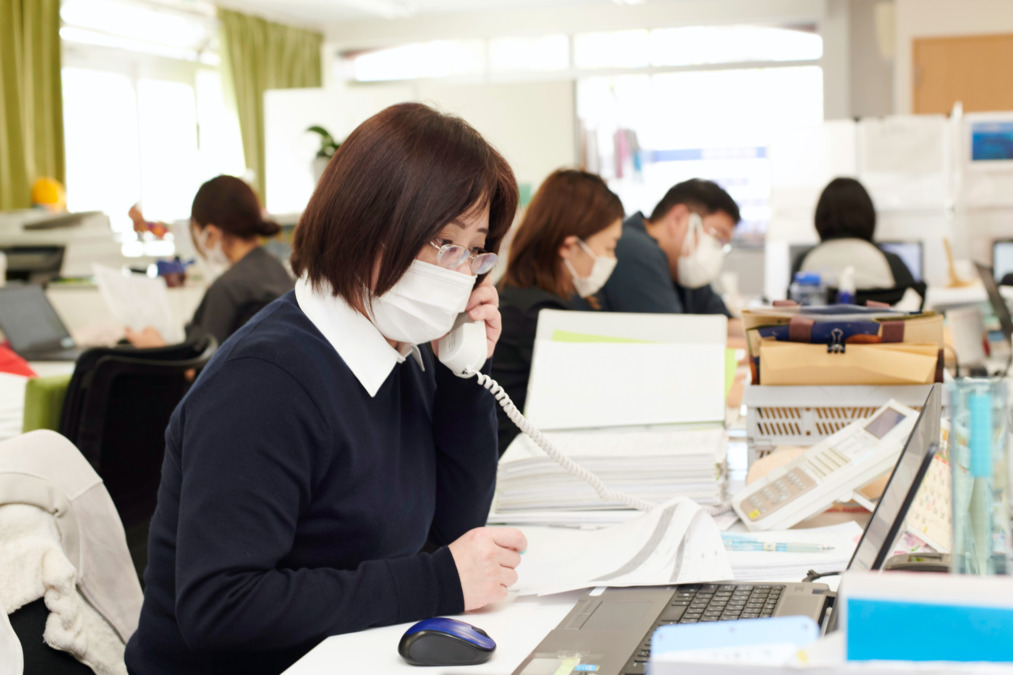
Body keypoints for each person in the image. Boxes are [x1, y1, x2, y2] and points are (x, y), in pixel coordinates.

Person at [124, 103, 527, 674]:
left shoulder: (396, 348)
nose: (462, 275)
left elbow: (451, 531)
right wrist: (435, 582)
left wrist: (462, 371)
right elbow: (219, 608)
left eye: (474, 250)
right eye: (444, 243)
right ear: (370, 228)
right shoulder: (264, 382)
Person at [494, 169, 624, 455]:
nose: (611, 260)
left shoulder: (518, 293)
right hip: (518, 470)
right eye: (609, 247)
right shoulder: (538, 314)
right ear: (569, 246)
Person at [125, 175, 294, 348]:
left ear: (211, 233)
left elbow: (202, 370)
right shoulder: (279, 271)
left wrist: (158, 348)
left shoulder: (227, 288)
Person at [584, 178, 741, 317]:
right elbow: (672, 339)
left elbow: (722, 323)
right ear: (678, 218)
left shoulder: (684, 268)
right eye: (717, 237)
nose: (717, 251)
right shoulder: (635, 250)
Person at [790, 177, 915, 293]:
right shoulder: (892, 263)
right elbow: (916, 306)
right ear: (869, 217)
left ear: (820, 217)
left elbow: (789, 309)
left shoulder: (804, 263)